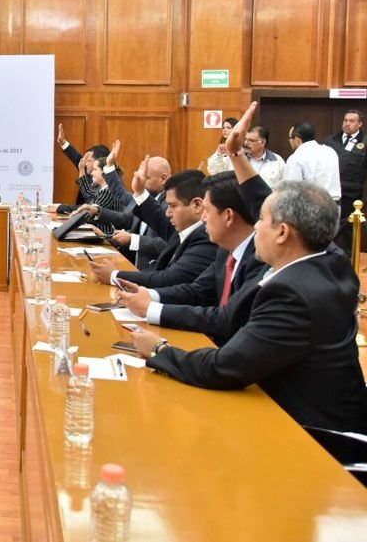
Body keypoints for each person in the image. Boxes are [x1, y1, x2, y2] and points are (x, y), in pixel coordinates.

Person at [130, 135, 367, 434]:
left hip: (314, 436)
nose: (254, 227)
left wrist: (159, 349)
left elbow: (224, 367)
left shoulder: (291, 294)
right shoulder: (331, 263)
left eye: (261, 220)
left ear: (282, 233)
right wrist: (237, 156)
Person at [114, 171, 267, 346]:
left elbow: (225, 318)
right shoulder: (225, 252)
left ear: (228, 216)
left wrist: (151, 309)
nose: (203, 218)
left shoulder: (259, 260)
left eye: (207, 210)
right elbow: (197, 291)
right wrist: (148, 295)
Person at [89, 166, 216, 288]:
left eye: (173, 206)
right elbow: (158, 218)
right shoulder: (186, 229)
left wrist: (114, 275)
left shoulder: (206, 239)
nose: (168, 213)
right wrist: (140, 192)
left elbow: (168, 279)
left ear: (197, 205)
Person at [80, 154, 171, 269]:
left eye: (146, 178)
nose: (141, 182)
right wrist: (98, 212)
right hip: (131, 265)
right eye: (139, 177)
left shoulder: (170, 205)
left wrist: (132, 239)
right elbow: (127, 219)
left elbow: (167, 244)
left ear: (163, 179)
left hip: (152, 272)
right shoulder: (144, 197)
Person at [324, 109, 367, 254]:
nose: (347, 124)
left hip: (352, 195)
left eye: (351, 121)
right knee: (328, 226)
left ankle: (350, 258)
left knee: (348, 230)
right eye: (345, 120)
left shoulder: (365, 142)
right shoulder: (331, 140)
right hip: (330, 193)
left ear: (360, 124)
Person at [283, 122, 340, 201]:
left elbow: (292, 191)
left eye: (290, 138)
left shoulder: (296, 157)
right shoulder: (330, 151)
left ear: (297, 139)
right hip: (334, 204)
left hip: (311, 205)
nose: (289, 141)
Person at [56, 124, 110, 205]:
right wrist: (63, 142)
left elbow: (88, 198)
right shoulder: (88, 170)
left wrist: (60, 207)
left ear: (99, 161)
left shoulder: (107, 184)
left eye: (88, 160)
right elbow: (76, 157)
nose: (85, 163)